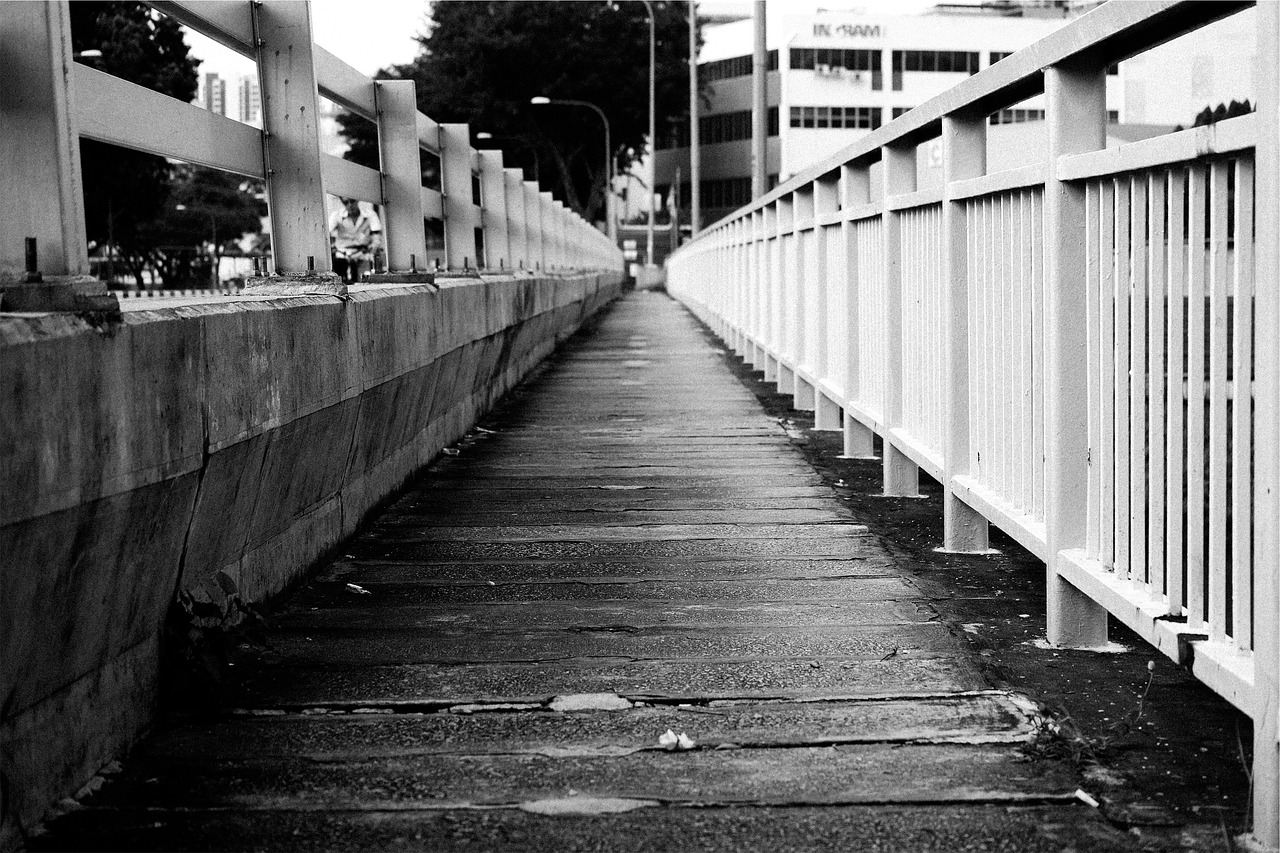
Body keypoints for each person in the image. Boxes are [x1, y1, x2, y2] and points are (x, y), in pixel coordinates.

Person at [328, 197, 382, 282]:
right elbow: (326, 234)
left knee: (364, 282)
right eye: (346, 202)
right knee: (340, 283)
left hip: (363, 255)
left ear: (357, 200)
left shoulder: (370, 215)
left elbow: (377, 237)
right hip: (342, 256)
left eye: (352, 201)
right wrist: (332, 248)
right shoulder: (336, 215)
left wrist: (371, 251)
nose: (350, 205)